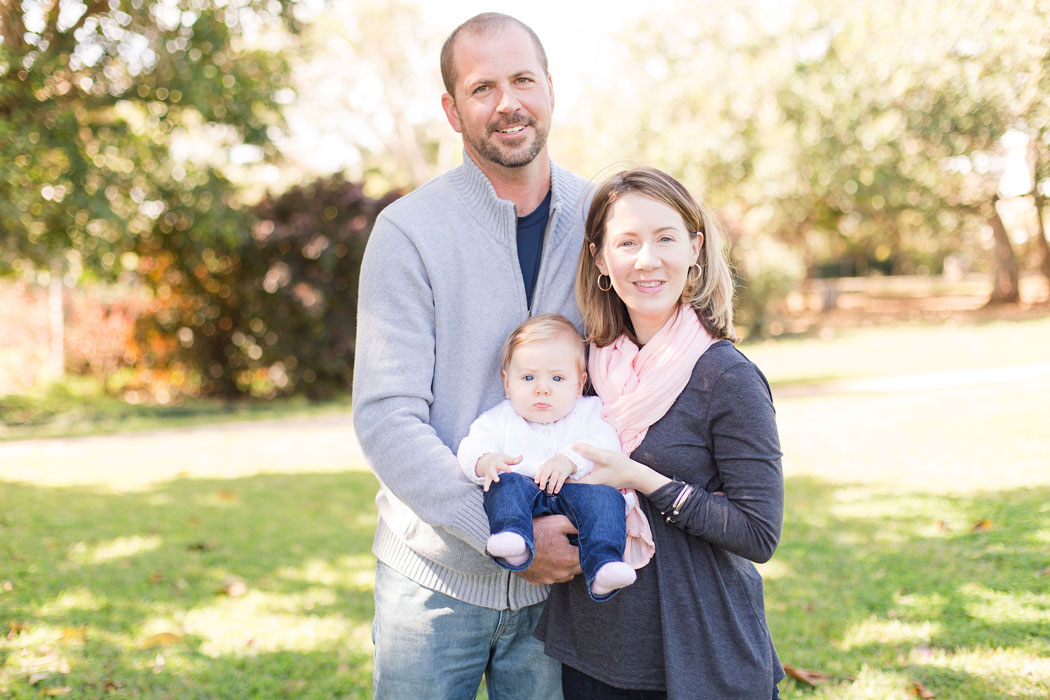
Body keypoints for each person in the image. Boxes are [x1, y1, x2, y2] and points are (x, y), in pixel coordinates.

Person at [352, 12, 590, 700]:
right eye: (483, 88)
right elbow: (387, 419)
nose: (508, 102)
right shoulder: (407, 232)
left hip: (562, 587)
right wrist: (503, 533)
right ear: (453, 112)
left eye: (523, 79)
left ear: (550, 88)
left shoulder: (601, 216)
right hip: (432, 583)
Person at [534, 167, 786, 699]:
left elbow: (759, 534)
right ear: (601, 259)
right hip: (595, 646)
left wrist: (643, 480)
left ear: (695, 248)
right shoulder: (582, 373)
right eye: (627, 242)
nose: (647, 259)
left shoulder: (727, 377)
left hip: (700, 649)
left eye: (665, 238)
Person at [457, 314, 643, 600]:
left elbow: (606, 444)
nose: (542, 388)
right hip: (526, 495)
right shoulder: (500, 418)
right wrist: (484, 460)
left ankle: (604, 563)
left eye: (557, 378)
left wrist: (570, 459)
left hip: (577, 493)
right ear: (507, 383)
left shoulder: (589, 411)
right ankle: (514, 540)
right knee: (504, 485)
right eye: (528, 377)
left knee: (608, 500)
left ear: (580, 383)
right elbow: (471, 446)